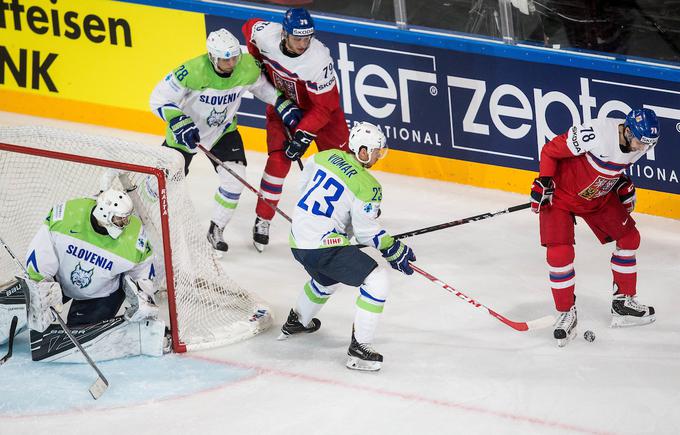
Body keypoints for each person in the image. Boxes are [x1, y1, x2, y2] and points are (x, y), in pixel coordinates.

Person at [279, 122, 416, 371]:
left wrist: (331, 227)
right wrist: (393, 247)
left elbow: (305, 184)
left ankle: (298, 321)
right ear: (362, 151)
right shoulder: (369, 185)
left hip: (298, 239)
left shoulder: (325, 156)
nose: (377, 156)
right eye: (375, 151)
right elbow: (366, 233)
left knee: (326, 279)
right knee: (377, 280)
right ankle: (359, 350)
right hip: (322, 246)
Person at [150, 28, 301, 253]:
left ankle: (216, 229)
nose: (231, 63)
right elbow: (158, 99)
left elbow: (260, 87)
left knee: (235, 180)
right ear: (212, 57)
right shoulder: (191, 71)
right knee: (161, 184)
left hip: (222, 131)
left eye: (234, 57)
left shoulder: (246, 66)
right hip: (186, 133)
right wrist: (179, 121)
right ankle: (145, 220)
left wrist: (280, 103)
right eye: (225, 59)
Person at [530, 108, 659, 347]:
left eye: (647, 145)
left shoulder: (638, 144)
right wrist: (544, 181)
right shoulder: (597, 133)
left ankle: (623, 303)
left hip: (597, 196)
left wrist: (622, 184)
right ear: (627, 131)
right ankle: (566, 312)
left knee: (630, 239)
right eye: (640, 143)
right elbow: (550, 150)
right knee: (559, 253)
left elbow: (613, 168)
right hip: (560, 196)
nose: (642, 149)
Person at [242, 8, 350, 252]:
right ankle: (263, 218)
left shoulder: (318, 60)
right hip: (283, 106)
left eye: (307, 38)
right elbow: (248, 26)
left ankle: (351, 214)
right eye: (297, 38)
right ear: (284, 33)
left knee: (343, 165)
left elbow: (326, 107)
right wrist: (256, 59)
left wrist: (303, 133)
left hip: (322, 114)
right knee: (278, 162)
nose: (303, 44)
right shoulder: (265, 34)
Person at [16, 189, 167, 362]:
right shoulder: (68, 215)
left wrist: (143, 295)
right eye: (120, 219)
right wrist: (40, 284)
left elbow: (143, 268)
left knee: (79, 334)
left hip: (101, 294)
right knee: (28, 307)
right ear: (104, 213)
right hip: (58, 281)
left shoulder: (135, 237)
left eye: (126, 218)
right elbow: (42, 249)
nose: (125, 223)